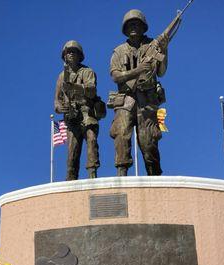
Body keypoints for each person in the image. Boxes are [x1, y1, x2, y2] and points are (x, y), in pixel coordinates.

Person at [109, 9, 169, 176]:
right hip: (126, 99)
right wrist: (137, 71)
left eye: (136, 24)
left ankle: (154, 176)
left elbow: (162, 72)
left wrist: (164, 50)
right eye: (130, 24)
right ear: (125, 29)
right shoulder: (119, 51)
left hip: (147, 100)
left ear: (143, 27)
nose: (133, 27)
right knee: (121, 134)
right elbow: (115, 76)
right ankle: (122, 175)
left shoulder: (152, 45)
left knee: (149, 141)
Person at [54, 40, 102, 180]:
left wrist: (74, 87)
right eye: (68, 52)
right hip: (71, 116)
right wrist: (58, 106)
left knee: (91, 140)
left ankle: (92, 175)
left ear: (79, 55)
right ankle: (71, 179)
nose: (70, 54)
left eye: (73, 52)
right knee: (72, 151)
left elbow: (92, 91)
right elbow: (56, 99)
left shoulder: (87, 72)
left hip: (87, 112)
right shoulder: (61, 76)